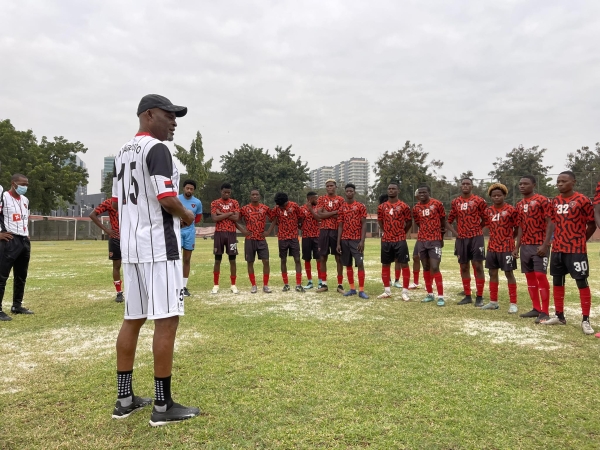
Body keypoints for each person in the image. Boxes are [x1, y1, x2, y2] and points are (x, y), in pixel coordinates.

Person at [111, 94, 199, 426]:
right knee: (167, 319)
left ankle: (124, 399)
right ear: (149, 115)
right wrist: (188, 215)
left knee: (133, 317)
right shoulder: (158, 149)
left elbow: (121, 199)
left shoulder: (122, 151)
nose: (174, 121)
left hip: (132, 247)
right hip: (159, 248)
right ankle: (162, 407)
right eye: (169, 115)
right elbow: (166, 197)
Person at [541, 171, 596, 335]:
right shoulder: (554, 201)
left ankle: (585, 320)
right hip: (558, 248)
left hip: (576, 250)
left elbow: (592, 224)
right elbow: (551, 223)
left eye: (564, 181)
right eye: (558, 181)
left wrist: (580, 240)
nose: (560, 184)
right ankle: (559, 316)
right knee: (558, 281)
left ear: (573, 182)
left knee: (581, 281)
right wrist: (548, 243)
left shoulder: (582, 200)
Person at [514, 176, 552, 323]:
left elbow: (550, 222)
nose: (522, 186)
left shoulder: (542, 200)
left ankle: (545, 311)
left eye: (525, 184)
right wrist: (517, 247)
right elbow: (520, 227)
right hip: (525, 246)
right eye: (520, 184)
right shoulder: (519, 205)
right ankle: (536, 308)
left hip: (539, 245)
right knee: (529, 277)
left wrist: (545, 244)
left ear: (534, 185)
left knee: (540, 276)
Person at [446, 178, 487, 307]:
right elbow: (449, 220)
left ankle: (479, 297)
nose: (465, 186)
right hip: (461, 239)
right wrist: (456, 233)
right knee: (463, 266)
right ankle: (468, 295)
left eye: (467, 184)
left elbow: (486, 218)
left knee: (478, 265)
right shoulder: (456, 202)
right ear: (460, 187)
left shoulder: (479, 201)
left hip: (476, 238)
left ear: (472, 186)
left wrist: (477, 230)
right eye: (463, 184)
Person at [480, 183, 520, 313]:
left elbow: (518, 228)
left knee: (509, 273)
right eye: (494, 195)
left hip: (507, 247)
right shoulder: (488, 211)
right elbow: (485, 225)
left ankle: (513, 303)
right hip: (492, 247)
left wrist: (513, 243)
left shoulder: (511, 210)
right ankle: (493, 302)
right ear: (491, 197)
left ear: (504, 195)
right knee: (492, 273)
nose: (497, 197)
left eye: (499, 195)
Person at [0, 174, 33, 321]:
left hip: (23, 240)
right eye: (22, 184)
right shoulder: (4, 197)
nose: (24, 187)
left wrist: (26, 234)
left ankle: (17, 305)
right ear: (13, 183)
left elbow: (25, 217)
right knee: (2, 276)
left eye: (26, 184)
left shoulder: (25, 200)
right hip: (9, 240)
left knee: (21, 275)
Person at [377, 182, 412, 300]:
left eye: (393, 189)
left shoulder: (404, 206)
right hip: (386, 240)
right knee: (385, 264)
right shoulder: (381, 207)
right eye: (389, 188)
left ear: (398, 191)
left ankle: (405, 292)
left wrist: (402, 233)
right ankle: (387, 291)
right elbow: (380, 222)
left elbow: (409, 222)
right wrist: (387, 231)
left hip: (400, 239)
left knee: (404, 264)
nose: (391, 190)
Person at [412, 185, 446, 306]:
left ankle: (441, 297)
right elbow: (417, 222)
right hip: (422, 241)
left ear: (428, 192)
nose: (422, 194)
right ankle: (430, 294)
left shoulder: (437, 204)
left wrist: (441, 237)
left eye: (424, 192)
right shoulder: (416, 208)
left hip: (435, 240)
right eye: (420, 192)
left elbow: (443, 220)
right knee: (426, 267)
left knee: (435, 267)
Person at [238, 189, 275, 293]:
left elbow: (274, 218)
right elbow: (236, 219)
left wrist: (268, 232)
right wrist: (243, 231)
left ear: (259, 196)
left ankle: (266, 285)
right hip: (250, 239)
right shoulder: (245, 209)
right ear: (250, 196)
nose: (254, 196)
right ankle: (253, 285)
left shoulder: (265, 208)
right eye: (253, 195)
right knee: (250, 262)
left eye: (256, 195)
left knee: (266, 261)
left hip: (261, 239)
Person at [336, 183, 369, 299]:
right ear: (345, 193)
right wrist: (338, 243)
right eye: (347, 191)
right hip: (345, 240)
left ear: (354, 192)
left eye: (351, 191)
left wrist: (362, 241)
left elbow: (364, 223)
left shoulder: (360, 206)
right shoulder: (342, 208)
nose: (349, 193)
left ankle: (361, 290)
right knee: (348, 264)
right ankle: (352, 289)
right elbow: (340, 226)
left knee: (360, 263)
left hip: (356, 240)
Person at [89, 198, 123, 302]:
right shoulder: (109, 202)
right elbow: (92, 215)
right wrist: (107, 230)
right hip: (116, 239)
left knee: (134, 265)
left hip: (131, 238)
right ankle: (119, 293)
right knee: (116, 266)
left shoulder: (130, 199)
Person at [211, 183, 240, 294]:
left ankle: (233, 285)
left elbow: (236, 218)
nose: (226, 194)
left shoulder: (235, 202)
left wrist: (221, 213)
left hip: (231, 234)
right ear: (221, 191)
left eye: (228, 192)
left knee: (232, 260)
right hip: (219, 233)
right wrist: (229, 213)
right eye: (224, 192)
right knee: (217, 260)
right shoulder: (215, 203)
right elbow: (214, 218)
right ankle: (216, 285)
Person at [316, 180, 345, 293]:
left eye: (331, 186)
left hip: (336, 231)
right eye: (327, 186)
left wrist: (326, 213)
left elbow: (341, 215)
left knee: (338, 258)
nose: (329, 188)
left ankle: (340, 285)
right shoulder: (321, 199)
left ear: (335, 187)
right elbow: (319, 215)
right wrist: (334, 212)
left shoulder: (341, 200)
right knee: (323, 257)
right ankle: (324, 284)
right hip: (323, 230)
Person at [272, 192, 304, 292]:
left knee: (297, 259)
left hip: (294, 237)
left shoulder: (294, 206)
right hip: (282, 238)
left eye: (282, 205)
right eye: (279, 205)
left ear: (286, 201)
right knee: (283, 260)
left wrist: (298, 226)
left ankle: (298, 285)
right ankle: (286, 284)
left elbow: (301, 216)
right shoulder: (277, 208)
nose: (281, 207)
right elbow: (271, 218)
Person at [178, 179, 203, 296]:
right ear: (183, 188)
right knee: (175, 259)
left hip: (189, 232)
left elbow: (197, 218)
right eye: (187, 188)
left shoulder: (197, 202)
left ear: (194, 190)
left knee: (186, 259)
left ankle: (184, 287)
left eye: (191, 189)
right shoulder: (176, 199)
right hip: (176, 232)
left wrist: (187, 222)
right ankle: (175, 285)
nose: (189, 190)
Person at [300, 192, 322, 289]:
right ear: (309, 198)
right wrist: (303, 228)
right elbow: (298, 221)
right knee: (307, 259)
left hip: (317, 236)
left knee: (319, 259)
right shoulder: (301, 209)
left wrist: (310, 209)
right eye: (315, 198)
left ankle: (320, 282)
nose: (317, 200)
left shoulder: (318, 208)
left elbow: (319, 218)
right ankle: (310, 282)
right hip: (306, 237)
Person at [408, 188, 421, 290]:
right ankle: (416, 282)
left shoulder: (434, 205)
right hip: (421, 237)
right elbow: (417, 222)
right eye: (418, 195)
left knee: (429, 260)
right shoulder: (416, 208)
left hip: (432, 238)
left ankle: (430, 281)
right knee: (415, 257)